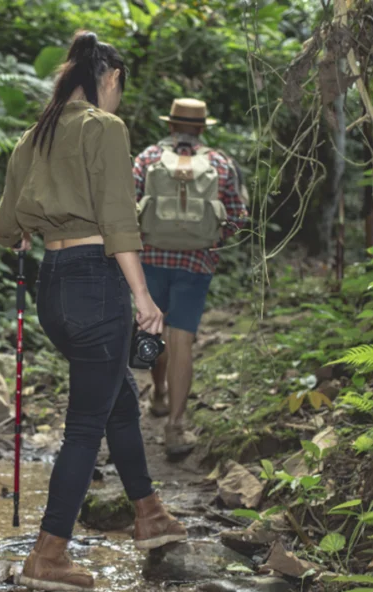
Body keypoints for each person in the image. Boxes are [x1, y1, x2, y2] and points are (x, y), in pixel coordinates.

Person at [0, 31, 188, 592]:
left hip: (52, 288)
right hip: (97, 285)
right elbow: (119, 220)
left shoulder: (34, 135)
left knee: (117, 400)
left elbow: (5, 227)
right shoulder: (104, 127)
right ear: (111, 78)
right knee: (84, 426)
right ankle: (48, 553)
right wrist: (143, 298)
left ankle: (149, 513)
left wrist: (29, 227)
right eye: (119, 89)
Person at [133, 98, 249, 458]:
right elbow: (237, 216)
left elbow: (127, 207)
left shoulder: (148, 158)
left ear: (170, 125)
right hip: (196, 263)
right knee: (181, 340)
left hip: (150, 259)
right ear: (201, 128)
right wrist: (212, 239)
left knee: (154, 330)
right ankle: (175, 427)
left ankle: (159, 394)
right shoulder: (220, 163)